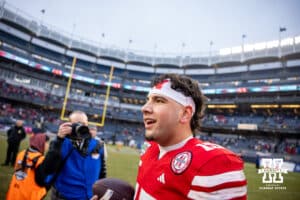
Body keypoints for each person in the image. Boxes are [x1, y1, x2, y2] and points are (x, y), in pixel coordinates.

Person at [134, 74, 247, 199]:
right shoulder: (150, 147)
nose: (145, 108)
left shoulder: (212, 163)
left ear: (185, 114)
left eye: (159, 101)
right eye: (148, 100)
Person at [35, 111, 106, 200]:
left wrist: (100, 192)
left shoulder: (98, 145)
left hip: (89, 197)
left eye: (83, 124)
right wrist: (59, 139)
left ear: (87, 125)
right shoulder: (61, 142)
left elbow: (101, 173)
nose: (80, 126)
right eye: (77, 124)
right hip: (63, 196)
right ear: (69, 125)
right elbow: (48, 168)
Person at [6, 131, 50, 200]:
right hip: (27, 195)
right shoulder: (41, 159)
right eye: (47, 143)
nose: (48, 145)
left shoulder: (21, 153)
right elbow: (41, 182)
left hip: (14, 192)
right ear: (41, 143)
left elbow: (16, 171)